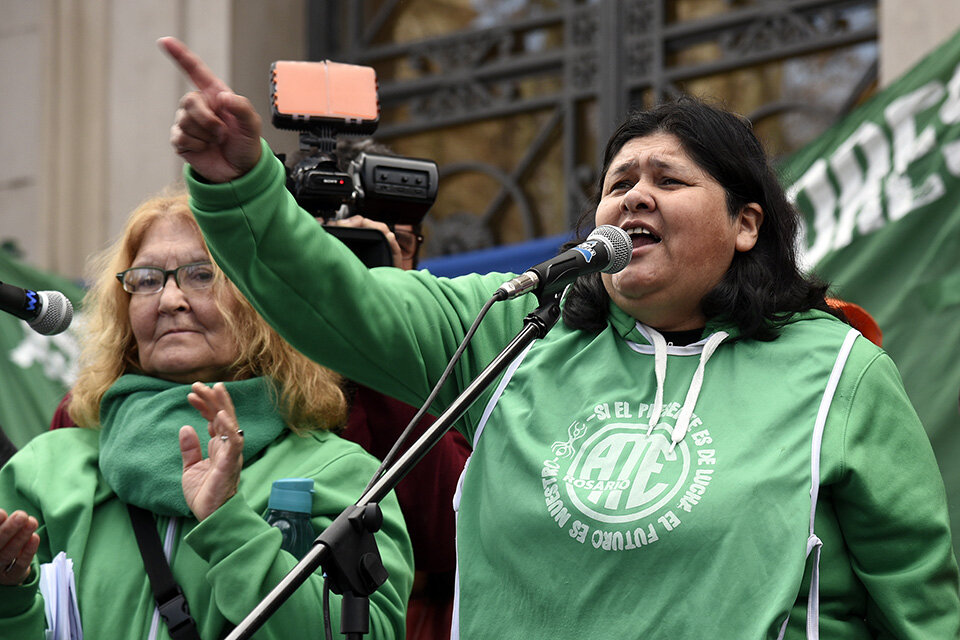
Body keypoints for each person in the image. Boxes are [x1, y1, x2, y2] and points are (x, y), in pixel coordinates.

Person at [161, 36, 960, 639]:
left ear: (747, 224)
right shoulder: (513, 330)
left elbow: (919, 605)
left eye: (668, 181)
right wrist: (242, 185)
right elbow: (332, 300)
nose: (632, 198)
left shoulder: (838, 371)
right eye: (618, 184)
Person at [0, 190, 413, 638]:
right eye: (147, 279)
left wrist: (228, 522)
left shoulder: (338, 474)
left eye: (202, 275)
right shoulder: (44, 469)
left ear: (264, 301)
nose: (169, 300)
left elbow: (368, 632)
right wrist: (10, 596)